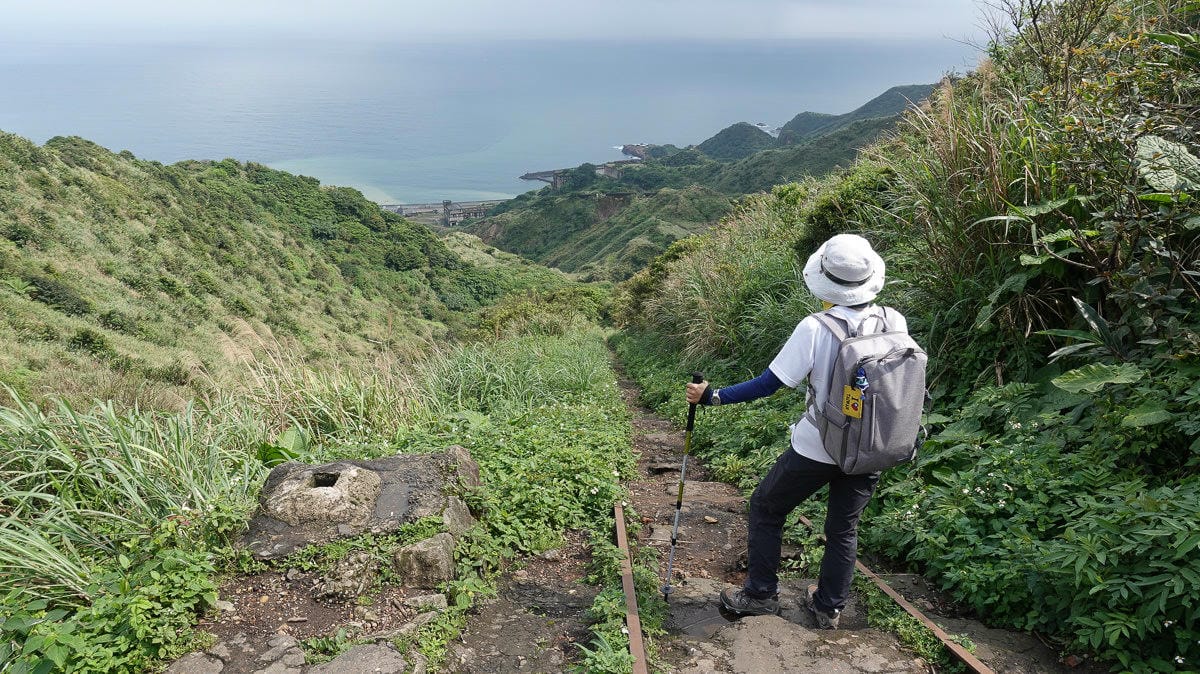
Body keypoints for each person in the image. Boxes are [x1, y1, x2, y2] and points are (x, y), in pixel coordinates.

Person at [684, 233, 908, 629]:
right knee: (843, 528)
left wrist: (712, 397)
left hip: (818, 448)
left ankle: (760, 595)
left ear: (825, 281)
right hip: (870, 446)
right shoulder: (894, 320)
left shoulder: (815, 327)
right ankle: (829, 607)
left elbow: (768, 384)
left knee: (767, 507)